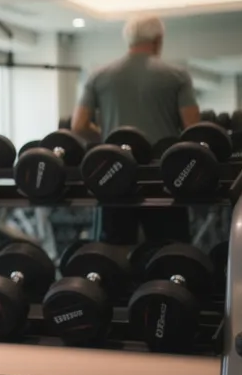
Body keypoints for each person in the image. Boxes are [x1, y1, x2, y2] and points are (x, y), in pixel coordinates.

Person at [72, 15, 200, 244]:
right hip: (162, 179)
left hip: (114, 176)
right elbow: (193, 130)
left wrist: (108, 138)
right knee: (169, 252)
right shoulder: (177, 76)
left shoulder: (99, 76)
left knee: (114, 255)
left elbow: (78, 126)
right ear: (159, 39)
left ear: (129, 40)